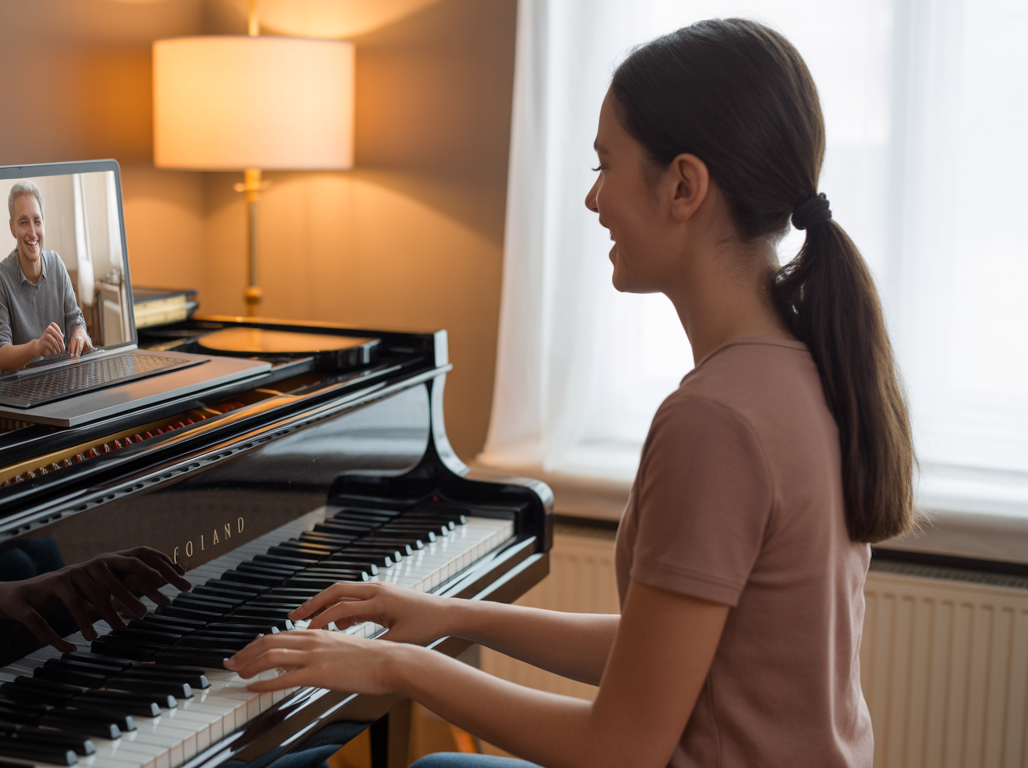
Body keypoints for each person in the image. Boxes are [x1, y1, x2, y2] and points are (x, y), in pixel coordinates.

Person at [224, 18, 915, 768]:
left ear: (684, 186)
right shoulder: (804, 364)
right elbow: (673, 656)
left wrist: (398, 667)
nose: (594, 201)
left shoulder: (716, 420)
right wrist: (449, 617)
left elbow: (620, 748)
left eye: (604, 164)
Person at [0, 180, 94, 372]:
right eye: (24, 222)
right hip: (24, 388)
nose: (32, 232)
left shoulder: (57, 264)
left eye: (37, 221)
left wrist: (79, 332)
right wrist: (35, 348)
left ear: (43, 223)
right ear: (12, 228)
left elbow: (76, 318)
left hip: (64, 378)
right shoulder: (1, 277)